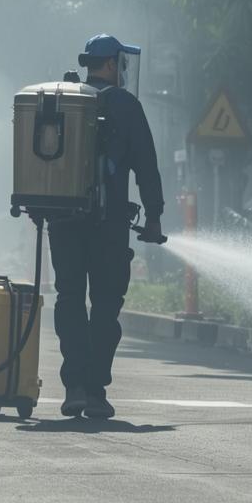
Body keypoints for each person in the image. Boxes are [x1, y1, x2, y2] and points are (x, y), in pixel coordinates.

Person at [49, 34, 164, 420]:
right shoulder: (126, 105)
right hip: (109, 225)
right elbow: (146, 165)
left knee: (68, 298)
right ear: (112, 64)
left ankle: (74, 387)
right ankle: (96, 392)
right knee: (105, 306)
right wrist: (154, 216)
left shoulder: (64, 100)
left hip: (64, 221)